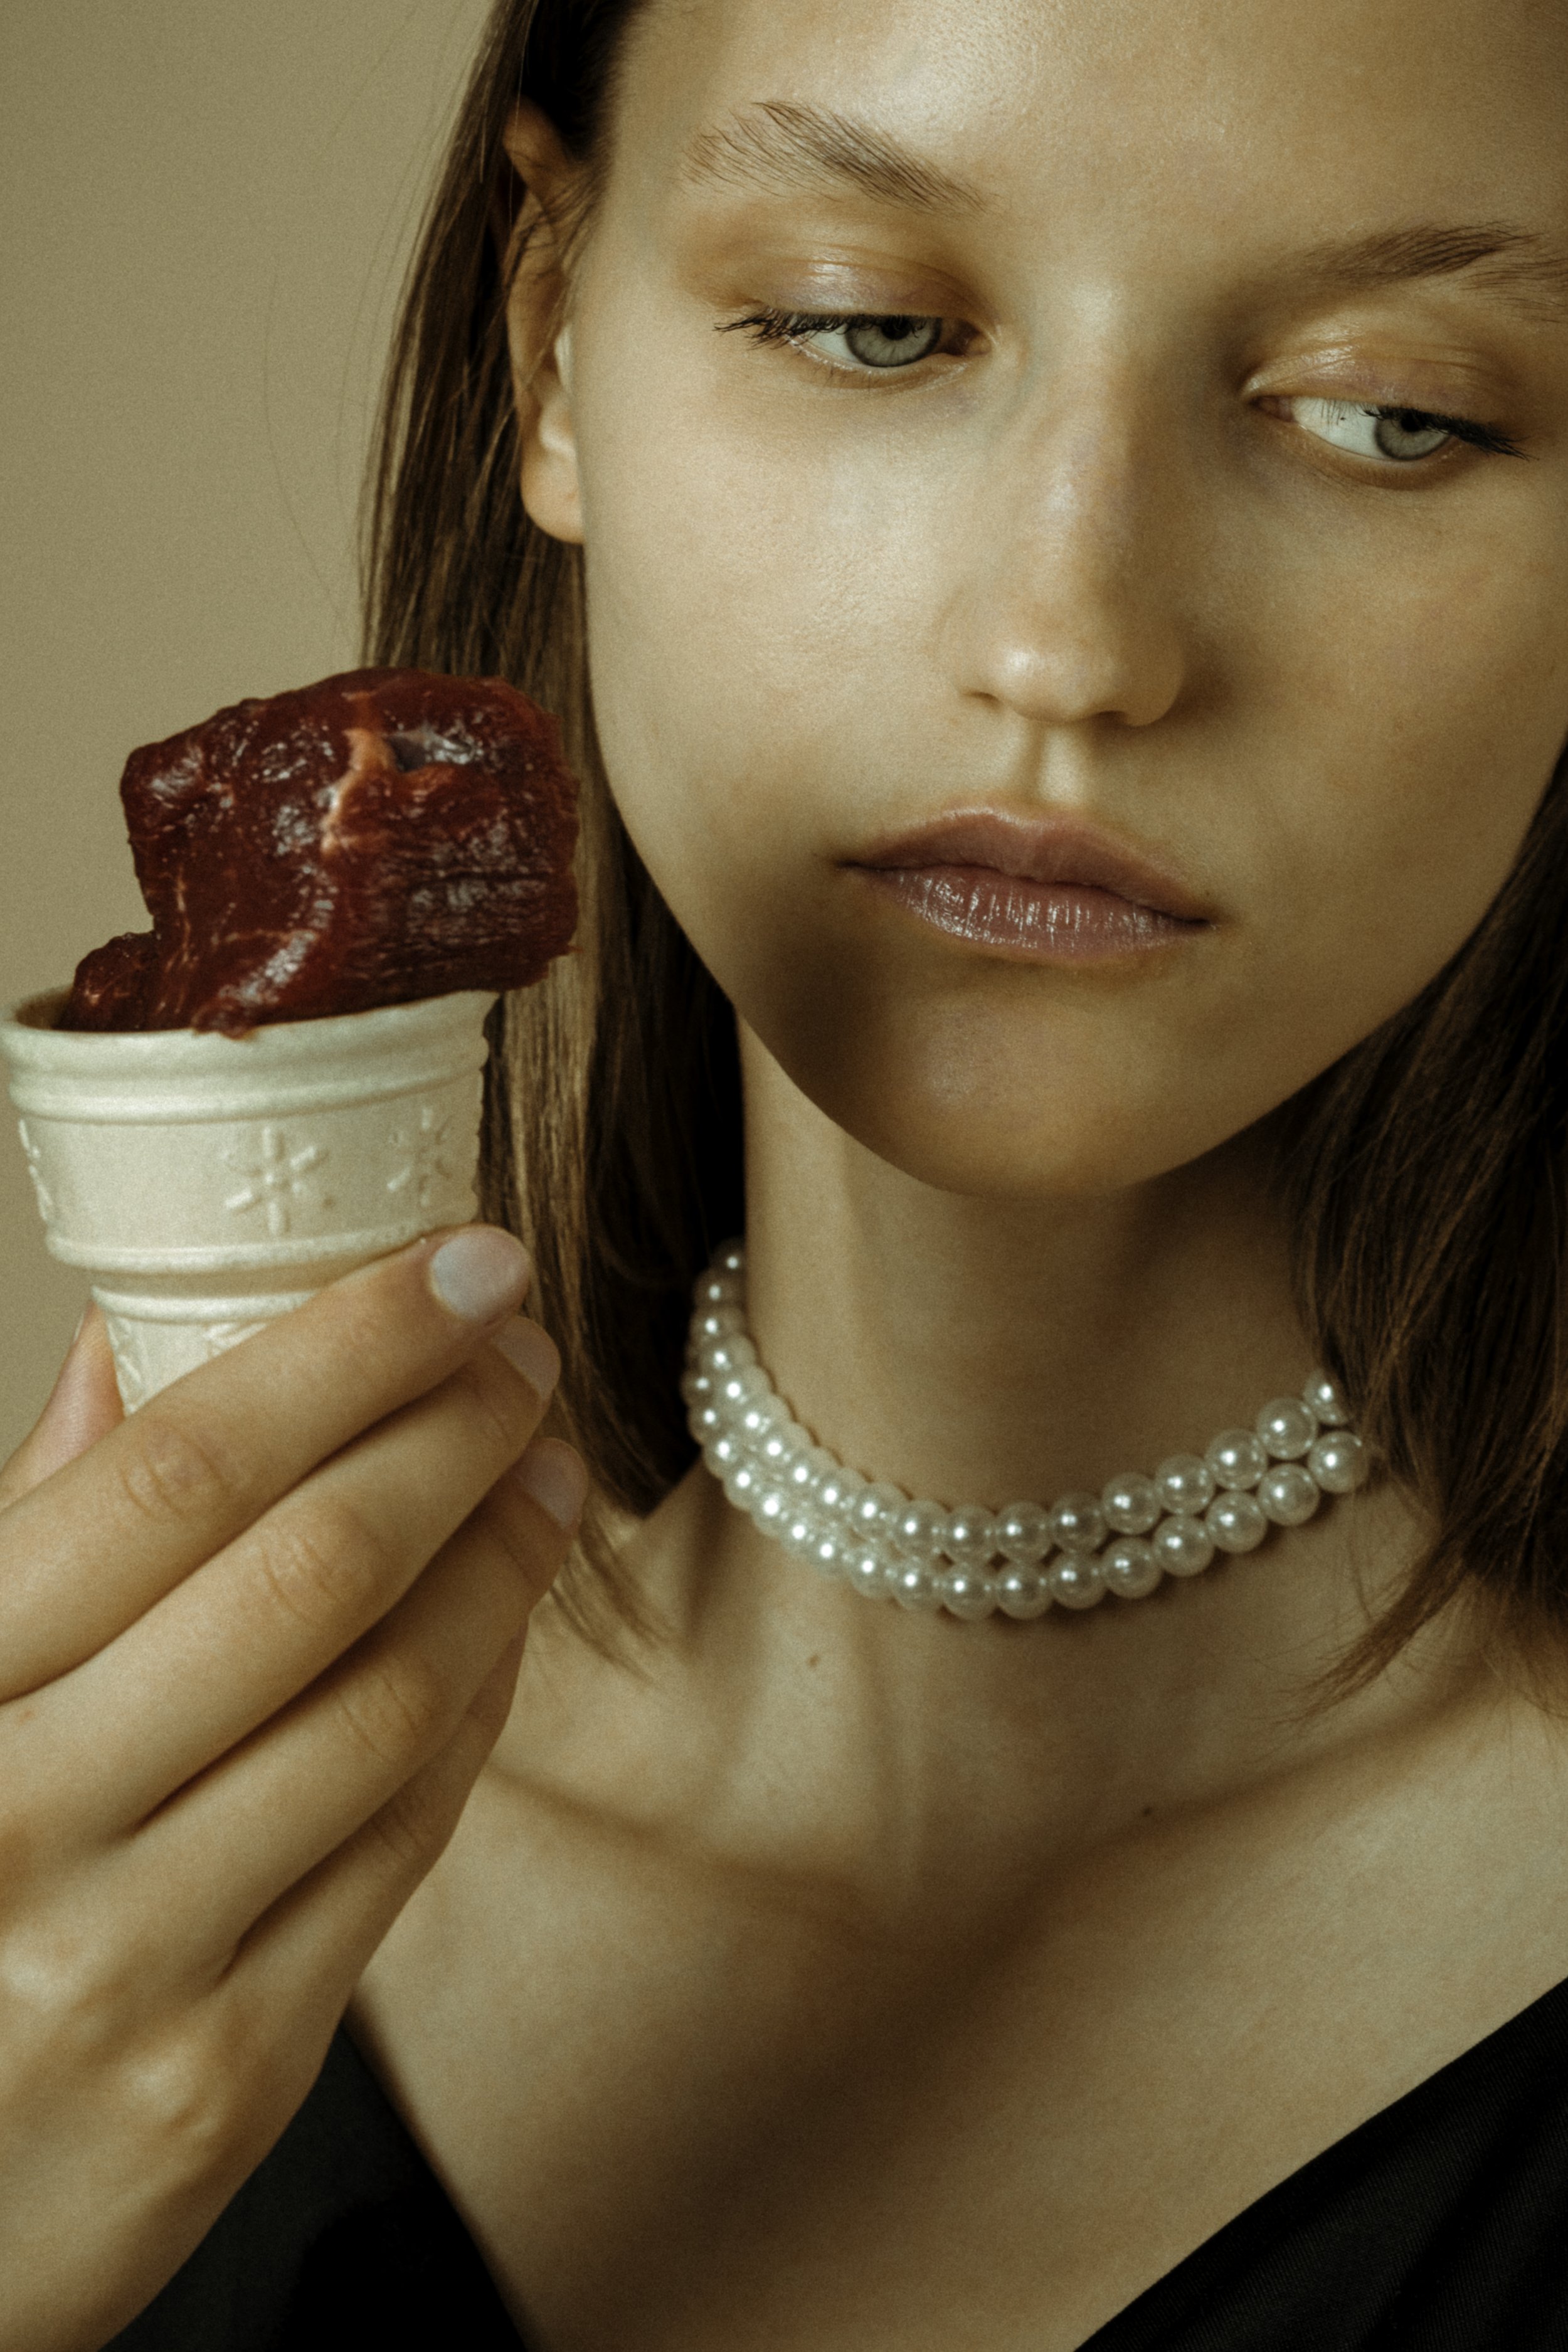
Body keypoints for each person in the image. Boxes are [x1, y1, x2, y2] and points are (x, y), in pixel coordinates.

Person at [6, 0, 1568, 2343]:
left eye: (1392, 411)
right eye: (867, 329)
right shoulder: (75, 1928)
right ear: (549, 344)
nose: (1071, 643)